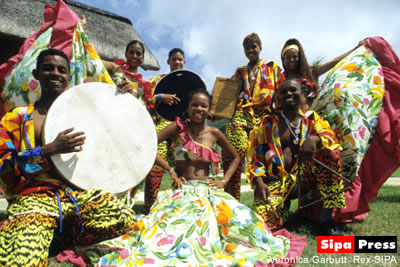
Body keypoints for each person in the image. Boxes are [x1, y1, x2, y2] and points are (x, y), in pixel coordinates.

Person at [77, 87, 306, 266]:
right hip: (182, 192)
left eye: (203, 106)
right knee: (177, 231)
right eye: (195, 105)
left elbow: (235, 157)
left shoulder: (215, 133)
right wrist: (171, 170)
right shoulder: (176, 129)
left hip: (209, 192)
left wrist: (224, 181)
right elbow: (147, 146)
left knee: (245, 223)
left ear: (209, 109)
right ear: (187, 108)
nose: (199, 109)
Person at [0, 49, 135, 266]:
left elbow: (113, 130)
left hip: (73, 196)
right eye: (48, 68)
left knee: (123, 217)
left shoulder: (83, 114)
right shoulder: (17, 117)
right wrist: (48, 149)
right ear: (36, 73)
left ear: (69, 78)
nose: (55, 73)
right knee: (23, 262)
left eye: (62, 70)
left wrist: (121, 98)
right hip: (33, 198)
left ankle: (61, 236)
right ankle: (33, 229)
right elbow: (2, 164)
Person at [246, 79, 346, 235]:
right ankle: (282, 208)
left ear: (303, 94)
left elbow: (330, 136)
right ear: (278, 98)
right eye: (283, 92)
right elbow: (254, 157)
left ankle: (326, 220)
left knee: (331, 152)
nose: (288, 94)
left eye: (293, 90)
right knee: (259, 228)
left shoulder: (312, 120)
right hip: (277, 182)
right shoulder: (266, 123)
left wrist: (314, 139)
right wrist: (258, 181)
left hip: (305, 178)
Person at [223, 33, 284, 200]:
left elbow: (281, 93)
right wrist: (218, 110)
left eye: (253, 46)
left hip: (264, 116)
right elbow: (229, 96)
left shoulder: (272, 68)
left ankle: (263, 200)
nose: (250, 50)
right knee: (236, 148)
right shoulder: (240, 71)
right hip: (242, 113)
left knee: (265, 155)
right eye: (247, 48)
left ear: (260, 48)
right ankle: (231, 199)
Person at [143, 48, 184, 210]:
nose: (177, 62)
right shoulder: (157, 81)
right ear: (168, 62)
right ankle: (150, 206)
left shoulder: (189, 82)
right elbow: (144, 99)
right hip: (161, 125)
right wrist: (161, 96)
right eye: (174, 59)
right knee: (155, 165)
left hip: (181, 129)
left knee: (182, 166)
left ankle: (177, 205)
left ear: (184, 62)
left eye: (180, 59)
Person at [280, 38, 364, 110]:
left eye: (294, 57)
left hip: (313, 117)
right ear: (283, 60)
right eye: (288, 57)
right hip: (292, 121)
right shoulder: (280, 78)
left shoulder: (310, 73)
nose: (291, 60)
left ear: (299, 58)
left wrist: (355, 48)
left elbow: (333, 62)